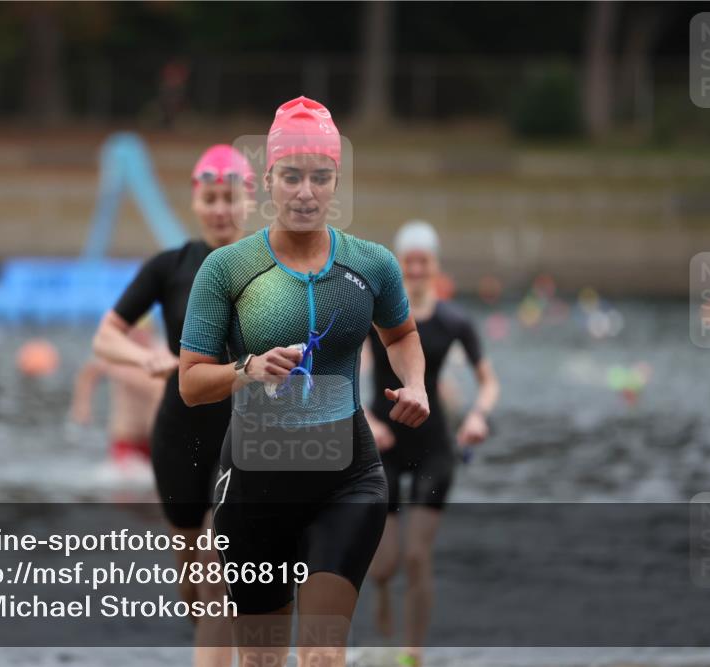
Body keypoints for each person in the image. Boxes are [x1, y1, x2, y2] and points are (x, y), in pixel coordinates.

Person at [179, 96, 430, 667]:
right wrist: (247, 369)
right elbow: (191, 384)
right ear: (269, 179)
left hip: (347, 479)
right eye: (291, 176)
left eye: (320, 177)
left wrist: (414, 384)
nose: (305, 192)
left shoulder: (373, 265)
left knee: (321, 654)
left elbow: (401, 335)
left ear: (335, 180)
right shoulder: (228, 270)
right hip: (253, 485)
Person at [91, 144, 253, 667]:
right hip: (178, 433)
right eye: (211, 198)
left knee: (218, 571)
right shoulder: (169, 267)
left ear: (248, 199)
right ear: (196, 200)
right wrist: (152, 359)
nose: (221, 208)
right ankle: (211, 642)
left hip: (244, 436)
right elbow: (106, 338)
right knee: (193, 574)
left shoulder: (272, 267)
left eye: (230, 198)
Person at [365, 220, 500, 667]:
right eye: (410, 262)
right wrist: (365, 418)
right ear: (398, 266)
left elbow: (488, 382)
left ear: (435, 266)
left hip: (434, 448)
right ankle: (381, 590)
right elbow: (341, 373)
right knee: (384, 563)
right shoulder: (375, 318)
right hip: (383, 445)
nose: (417, 269)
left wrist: (479, 414)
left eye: (425, 261)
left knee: (418, 555)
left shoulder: (454, 321)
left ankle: (413, 653)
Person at [70, 321, 164, 470]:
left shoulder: (161, 354)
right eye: (134, 333)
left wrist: (127, 375)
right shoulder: (119, 355)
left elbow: (160, 388)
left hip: (153, 437)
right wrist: (82, 406)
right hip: (126, 436)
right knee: (124, 486)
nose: (138, 337)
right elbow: (88, 374)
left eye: (142, 333)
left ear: (150, 332)